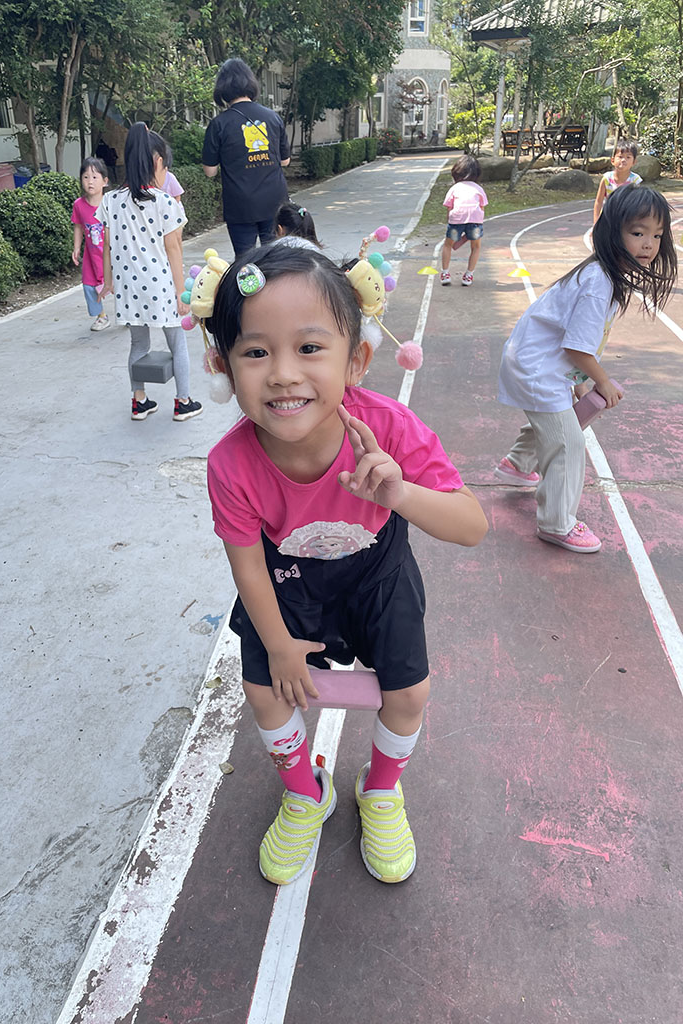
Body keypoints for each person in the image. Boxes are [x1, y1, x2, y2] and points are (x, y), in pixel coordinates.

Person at [206, 245, 488, 886]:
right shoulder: (230, 464)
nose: (283, 374)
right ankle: (306, 791)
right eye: (256, 352)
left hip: (376, 573)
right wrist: (280, 648)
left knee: (409, 692)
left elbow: (471, 526)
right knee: (264, 689)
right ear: (222, 364)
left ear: (356, 360)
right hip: (286, 581)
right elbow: (247, 566)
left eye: (309, 348)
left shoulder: (389, 428)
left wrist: (400, 494)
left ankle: (380, 788)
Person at [495, 186, 675, 552]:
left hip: (537, 362)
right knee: (567, 443)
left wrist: (578, 382)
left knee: (557, 423)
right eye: (637, 232)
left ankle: (517, 465)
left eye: (657, 236)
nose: (648, 244)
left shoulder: (606, 275)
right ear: (611, 232)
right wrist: (601, 381)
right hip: (536, 368)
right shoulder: (599, 282)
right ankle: (557, 523)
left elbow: (576, 341)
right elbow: (577, 347)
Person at [98, 123, 202, 422]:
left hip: (129, 287)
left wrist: (108, 281)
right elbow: (174, 249)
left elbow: (106, 245)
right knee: (177, 343)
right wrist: (182, 294)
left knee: (138, 344)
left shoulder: (110, 200)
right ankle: (183, 402)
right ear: (157, 162)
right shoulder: (164, 202)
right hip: (161, 286)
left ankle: (139, 401)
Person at [202, 58, 291, 257]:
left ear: (222, 87)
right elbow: (285, 161)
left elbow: (210, 171)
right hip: (274, 201)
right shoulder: (273, 117)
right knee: (275, 259)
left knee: (244, 261)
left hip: (240, 205)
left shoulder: (219, 124)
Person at [71, 156, 111, 332]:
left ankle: (129, 314)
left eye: (95, 177)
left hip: (112, 255)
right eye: (86, 177)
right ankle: (101, 316)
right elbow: (78, 226)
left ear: (105, 181)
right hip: (91, 256)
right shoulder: (79, 205)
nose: (90, 181)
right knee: (89, 286)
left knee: (121, 286)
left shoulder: (110, 203)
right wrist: (76, 248)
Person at [440, 154, 488, 287]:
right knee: (476, 246)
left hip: (456, 220)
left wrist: (450, 222)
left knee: (448, 245)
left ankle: (445, 273)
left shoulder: (454, 188)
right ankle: (468, 275)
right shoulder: (478, 189)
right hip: (475, 221)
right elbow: (482, 207)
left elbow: (449, 207)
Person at [593, 139, 642, 223]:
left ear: (634, 162)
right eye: (620, 157)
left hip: (627, 220)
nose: (623, 160)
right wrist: (596, 222)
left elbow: (638, 203)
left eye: (628, 157)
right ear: (612, 160)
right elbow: (598, 201)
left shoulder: (635, 180)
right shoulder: (606, 178)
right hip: (608, 218)